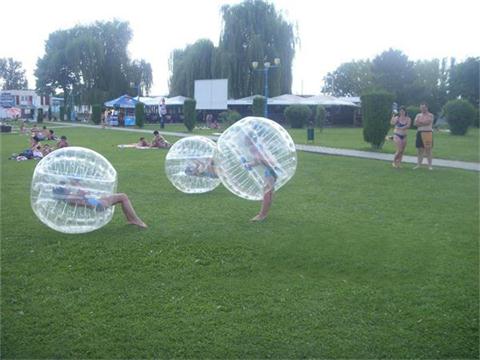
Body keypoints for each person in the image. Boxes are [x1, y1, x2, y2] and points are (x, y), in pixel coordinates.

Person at [52, 180, 147, 228]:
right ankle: (136, 220)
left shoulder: (68, 197)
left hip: (96, 202)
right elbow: (83, 192)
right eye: (64, 187)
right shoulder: (69, 198)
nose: (67, 187)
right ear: (62, 191)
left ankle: (131, 219)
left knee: (122, 197)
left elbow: (85, 194)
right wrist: (76, 183)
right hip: (98, 204)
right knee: (123, 197)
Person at [242, 134, 279, 222]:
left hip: (271, 169)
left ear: (249, 140)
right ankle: (264, 214)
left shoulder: (253, 148)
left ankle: (262, 215)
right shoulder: (257, 146)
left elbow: (261, 160)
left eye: (245, 139)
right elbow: (257, 161)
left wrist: (250, 163)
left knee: (266, 192)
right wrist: (249, 164)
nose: (244, 141)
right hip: (273, 168)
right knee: (268, 192)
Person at [414, 102, 434, 170]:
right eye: (421, 107)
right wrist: (423, 122)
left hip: (428, 133)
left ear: (427, 107)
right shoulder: (418, 115)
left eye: (424, 107)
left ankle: (430, 166)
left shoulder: (430, 115)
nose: (422, 109)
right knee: (419, 150)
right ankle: (418, 165)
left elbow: (428, 122)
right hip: (419, 133)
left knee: (428, 150)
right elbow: (415, 124)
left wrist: (420, 122)